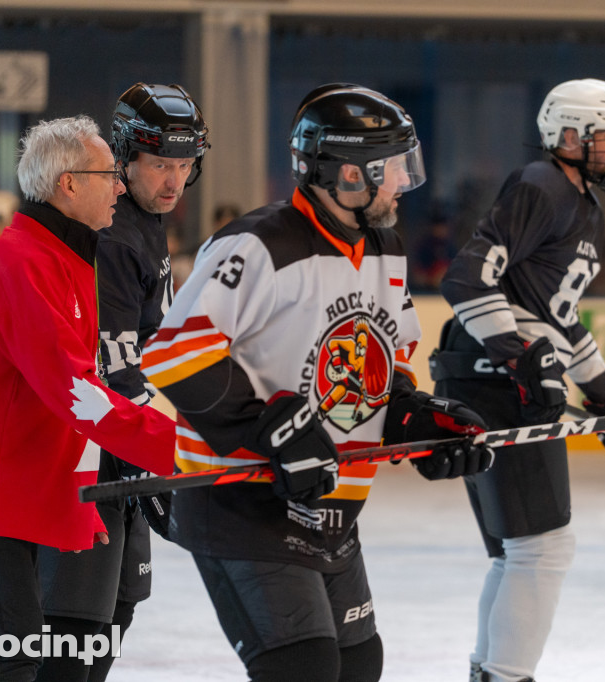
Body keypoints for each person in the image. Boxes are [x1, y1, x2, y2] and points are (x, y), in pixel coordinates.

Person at [138, 83, 494, 682]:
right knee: (304, 668)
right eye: (393, 169)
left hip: (329, 505)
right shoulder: (257, 245)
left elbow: (387, 360)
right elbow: (177, 355)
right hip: (242, 501)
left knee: (357, 666)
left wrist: (413, 416)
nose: (405, 183)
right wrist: (269, 431)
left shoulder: (384, 245)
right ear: (348, 174)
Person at [0, 115, 177, 681]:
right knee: (13, 662)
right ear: (68, 184)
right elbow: (76, 393)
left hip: (18, 491)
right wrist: (181, 447)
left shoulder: (65, 258)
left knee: (43, 658)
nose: (121, 185)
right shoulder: (22, 264)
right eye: (108, 174)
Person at [430, 78, 605, 682]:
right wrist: (518, 359)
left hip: (495, 376)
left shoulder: (583, 205)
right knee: (541, 550)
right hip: (492, 379)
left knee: (517, 554)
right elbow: (466, 280)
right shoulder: (542, 185)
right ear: (567, 136)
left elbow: (556, 317)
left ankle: (492, 673)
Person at [35, 84, 208, 682]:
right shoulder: (114, 235)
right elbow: (109, 367)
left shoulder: (145, 222)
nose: (173, 183)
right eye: (160, 164)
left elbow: (149, 347)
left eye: (185, 167)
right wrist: (162, 451)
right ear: (125, 157)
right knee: (75, 630)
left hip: (119, 448)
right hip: (89, 456)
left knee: (115, 614)